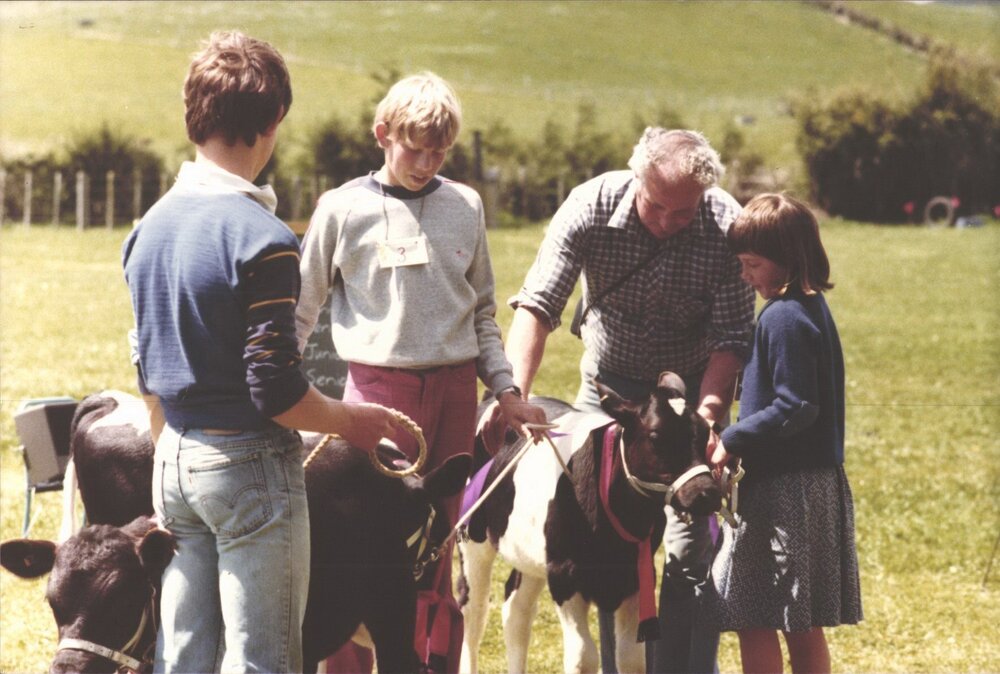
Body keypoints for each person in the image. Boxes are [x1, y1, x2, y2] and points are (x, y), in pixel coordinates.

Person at [123, 31, 402, 673]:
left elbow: (146, 362)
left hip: (173, 457)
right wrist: (353, 422)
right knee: (263, 659)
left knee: (184, 655)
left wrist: (174, 446)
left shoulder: (148, 226)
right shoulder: (267, 238)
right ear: (272, 121)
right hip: (248, 463)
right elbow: (274, 390)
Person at [295, 72, 547, 674]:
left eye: (440, 152)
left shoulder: (464, 205)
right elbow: (299, 312)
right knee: (365, 546)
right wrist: (280, 396)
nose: (426, 162)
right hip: (380, 394)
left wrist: (506, 391)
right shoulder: (342, 208)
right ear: (384, 135)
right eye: (415, 148)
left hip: (457, 391)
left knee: (438, 543)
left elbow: (483, 311)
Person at [493, 127, 756, 673]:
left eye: (683, 214)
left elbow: (733, 338)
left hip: (688, 407)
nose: (667, 222)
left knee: (690, 555)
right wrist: (515, 394)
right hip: (609, 396)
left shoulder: (726, 223)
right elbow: (538, 307)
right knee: (605, 552)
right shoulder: (589, 206)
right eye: (657, 205)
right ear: (637, 177)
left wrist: (707, 415)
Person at [706, 193, 863, 673]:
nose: (745, 275)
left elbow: (796, 406)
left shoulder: (783, 317)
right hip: (812, 485)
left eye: (752, 264)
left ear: (787, 260)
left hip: (784, 492)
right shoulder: (811, 309)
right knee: (798, 618)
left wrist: (732, 438)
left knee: (752, 613)